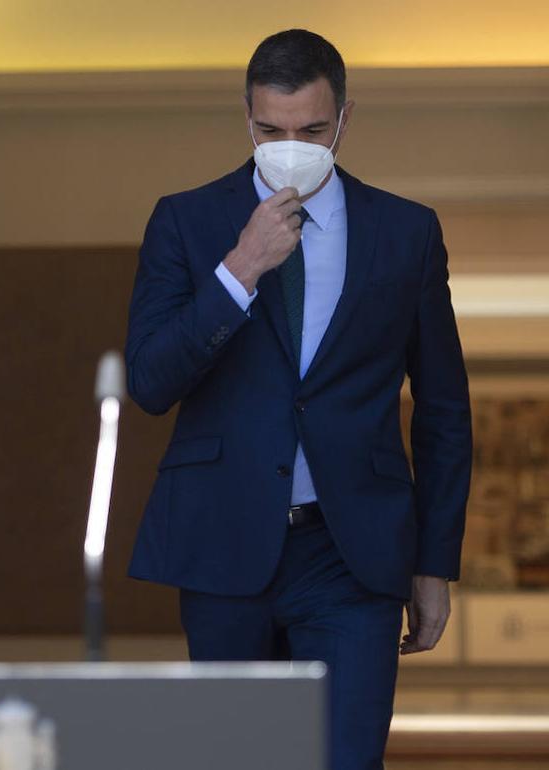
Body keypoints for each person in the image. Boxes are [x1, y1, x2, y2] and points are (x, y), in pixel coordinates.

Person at [123, 29, 472, 770]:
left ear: (344, 119)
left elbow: (443, 410)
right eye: (271, 130)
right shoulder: (185, 221)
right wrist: (239, 270)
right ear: (246, 118)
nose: (291, 148)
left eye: (311, 131)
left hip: (352, 552)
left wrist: (435, 563)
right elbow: (150, 382)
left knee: (348, 758)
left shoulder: (406, 232)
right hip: (224, 542)